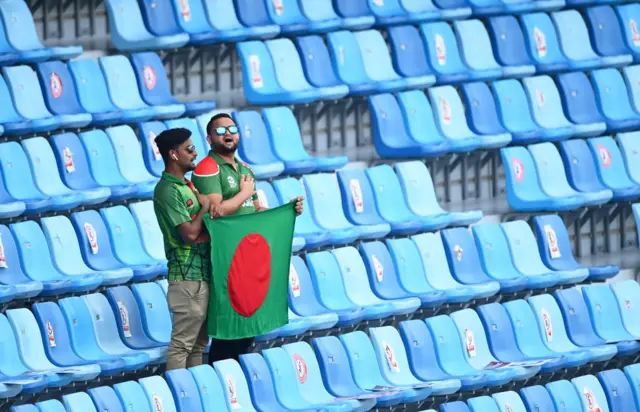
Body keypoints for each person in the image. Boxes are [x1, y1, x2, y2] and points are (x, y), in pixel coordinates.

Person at [192, 112, 304, 364]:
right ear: (209, 139)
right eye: (220, 131)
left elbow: (254, 211)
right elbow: (215, 213)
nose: (228, 134)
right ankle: (221, 379)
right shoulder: (207, 168)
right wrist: (244, 193)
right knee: (228, 331)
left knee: (246, 328)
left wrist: (286, 211)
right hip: (221, 260)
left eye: (232, 129)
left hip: (245, 260)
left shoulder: (245, 169)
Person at [152, 128, 219, 371]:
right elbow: (189, 234)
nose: (195, 152)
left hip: (201, 274)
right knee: (182, 345)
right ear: (173, 154)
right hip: (185, 278)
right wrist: (203, 208)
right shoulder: (167, 190)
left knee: (200, 345)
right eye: (189, 149)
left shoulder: (186, 185)